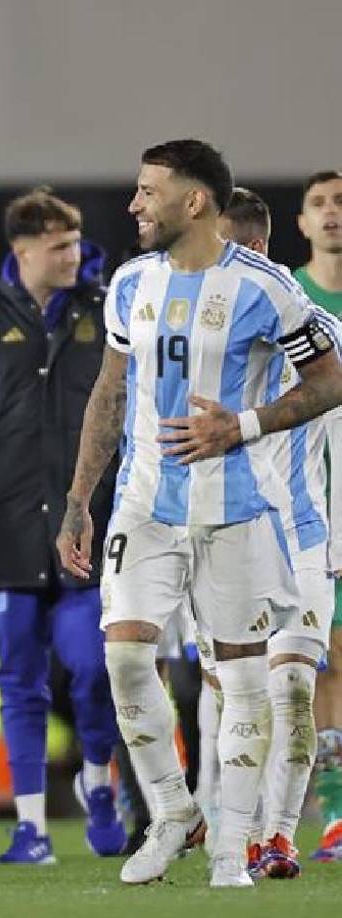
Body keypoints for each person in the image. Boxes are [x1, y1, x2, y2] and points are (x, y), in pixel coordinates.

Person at [56, 139, 342, 888]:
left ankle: (234, 847)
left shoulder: (269, 288)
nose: (134, 205)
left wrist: (241, 426)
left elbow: (329, 380)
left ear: (195, 202)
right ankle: (174, 812)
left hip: (240, 509)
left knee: (246, 686)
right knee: (124, 657)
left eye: (148, 192)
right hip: (145, 505)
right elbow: (111, 394)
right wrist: (80, 499)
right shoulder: (130, 282)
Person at [0, 187, 125, 864]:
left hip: (90, 527)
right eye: (60, 244)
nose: (74, 254)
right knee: (18, 679)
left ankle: (98, 783)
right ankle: (31, 829)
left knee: (92, 668)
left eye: (77, 240)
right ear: (21, 250)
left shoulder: (107, 309)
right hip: (8, 532)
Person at [206, 186, 342, 879]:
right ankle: (225, 827)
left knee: (292, 693)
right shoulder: (196, 340)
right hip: (221, 539)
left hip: (302, 539)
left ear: (254, 250)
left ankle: (278, 836)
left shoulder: (312, 329)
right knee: (231, 699)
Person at [294, 169, 342, 864]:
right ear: (301, 221)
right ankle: (335, 813)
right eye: (321, 204)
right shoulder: (287, 299)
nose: (334, 214)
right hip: (313, 509)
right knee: (326, 665)